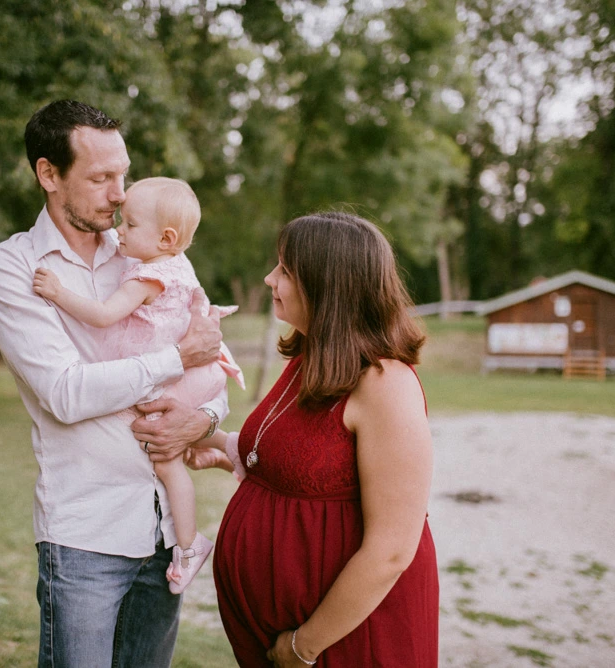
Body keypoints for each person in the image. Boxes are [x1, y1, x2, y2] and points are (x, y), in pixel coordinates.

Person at [0, 99, 228, 668]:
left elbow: (212, 358)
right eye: (100, 177)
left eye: (124, 174)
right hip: (85, 534)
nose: (119, 193)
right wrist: (174, 356)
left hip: (164, 530)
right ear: (48, 174)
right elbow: (66, 394)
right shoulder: (11, 270)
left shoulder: (149, 252)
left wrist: (204, 419)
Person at [175, 211, 438, 667]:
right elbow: (298, 459)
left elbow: (393, 548)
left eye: (285, 271)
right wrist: (218, 448)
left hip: (347, 638)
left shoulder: (384, 384)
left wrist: (304, 646)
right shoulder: (311, 356)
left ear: (328, 287)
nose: (269, 278)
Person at [31, 176, 244, 594]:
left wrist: (58, 292)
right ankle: (226, 446)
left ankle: (188, 545)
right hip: (194, 375)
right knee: (181, 439)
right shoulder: (179, 264)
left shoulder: (148, 278)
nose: (117, 230)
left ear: (165, 237)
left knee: (165, 461)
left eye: (129, 225)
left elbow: (102, 315)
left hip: (169, 376)